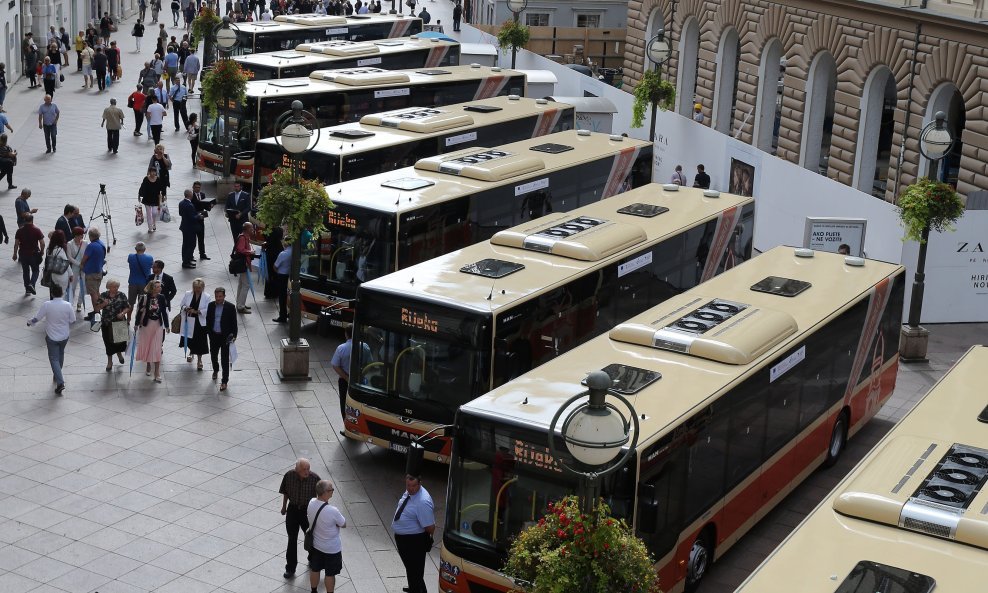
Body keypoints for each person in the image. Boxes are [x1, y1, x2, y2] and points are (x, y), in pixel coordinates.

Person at [27, 284, 75, 395]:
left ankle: (60, 382)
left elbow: (37, 318)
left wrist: (29, 322)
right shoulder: (68, 305)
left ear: (52, 293)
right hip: (64, 336)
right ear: (62, 293)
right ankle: (57, 374)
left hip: (52, 336)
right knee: (61, 354)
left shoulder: (47, 305)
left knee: (53, 358)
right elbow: (73, 320)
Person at [392, 473, 436, 593]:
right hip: (404, 539)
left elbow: (430, 528)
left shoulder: (422, 502)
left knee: (415, 570)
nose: (410, 488)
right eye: (408, 485)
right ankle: (414, 587)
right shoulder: (411, 493)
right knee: (412, 569)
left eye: (413, 486)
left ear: (419, 484)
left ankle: (417, 589)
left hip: (414, 541)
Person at [279, 458, 322, 579]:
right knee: (292, 538)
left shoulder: (315, 479)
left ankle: (312, 557)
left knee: (310, 536)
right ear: (297, 469)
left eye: (308, 468)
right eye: (304, 469)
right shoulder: (289, 475)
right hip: (292, 509)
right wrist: (284, 507)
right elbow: (285, 491)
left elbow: (321, 497)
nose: (307, 471)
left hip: (307, 511)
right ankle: (290, 568)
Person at [307, 480, 346, 593]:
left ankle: (313, 591)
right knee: (330, 574)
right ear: (324, 493)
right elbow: (344, 524)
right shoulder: (332, 511)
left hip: (316, 546)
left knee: (315, 569)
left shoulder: (311, 502)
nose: (333, 491)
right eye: (331, 490)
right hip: (332, 549)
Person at [134, 280, 170, 382]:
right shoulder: (144, 298)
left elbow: (163, 312)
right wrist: (136, 324)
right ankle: (148, 364)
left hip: (157, 325)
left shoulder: (162, 297)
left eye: (160, 286)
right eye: (158, 287)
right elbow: (139, 313)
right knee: (148, 346)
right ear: (152, 288)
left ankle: (157, 372)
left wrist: (167, 325)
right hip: (147, 325)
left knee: (157, 348)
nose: (160, 288)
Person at [95, 280, 131, 370]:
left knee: (119, 342)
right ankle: (109, 362)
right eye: (114, 287)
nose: (116, 288)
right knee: (108, 343)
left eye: (117, 287)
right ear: (109, 287)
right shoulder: (103, 295)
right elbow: (96, 308)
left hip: (119, 322)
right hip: (107, 323)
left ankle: (119, 354)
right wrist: (104, 304)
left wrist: (122, 313)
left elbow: (128, 307)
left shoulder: (121, 295)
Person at [206, 286, 237, 390]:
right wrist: (209, 333)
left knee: (225, 359)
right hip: (214, 335)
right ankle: (215, 369)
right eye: (216, 296)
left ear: (224, 296)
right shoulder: (210, 306)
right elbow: (208, 320)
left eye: (220, 296)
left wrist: (234, 336)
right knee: (213, 355)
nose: (218, 298)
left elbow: (234, 323)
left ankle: (224, 381)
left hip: (225, 337)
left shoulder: (230, 307)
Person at [178, 278, 210, 369]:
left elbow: (208, 309)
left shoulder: (206, 296)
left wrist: (197, 312)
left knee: (200, 342)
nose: (197, 289)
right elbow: (182, 304)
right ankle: (191, 352)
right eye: (196, 287)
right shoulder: (188, 294)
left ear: (203, 287)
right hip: (189, 320)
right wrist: (186, 308)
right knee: (190, 339)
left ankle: (199, 360)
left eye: (199, 287)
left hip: (200, 322)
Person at [13, 214, 45, 295]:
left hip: (23, 254)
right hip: (33, 254)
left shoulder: (19, 230)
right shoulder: (37, 230)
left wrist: (15, 254)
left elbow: (16, 244)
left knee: (25, 272)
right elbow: (42, 243)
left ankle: (27, 289)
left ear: (24, 220)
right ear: (32, 220)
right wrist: (42, 251)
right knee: (35, 270)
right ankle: (32, 284)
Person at [81, 227, 107, 318]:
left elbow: (84, 259)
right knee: (96, 291)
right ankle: (101, 307)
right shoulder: (102, 244)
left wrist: (81, 265)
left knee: (93, 294)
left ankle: (97, 313)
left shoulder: (91, 246)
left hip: (91, 273)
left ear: (91, 236)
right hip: (98, 271)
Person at [233, 223, 255, 314]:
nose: (253, 229)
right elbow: (240, 249)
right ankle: (241, 306)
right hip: (243, 263)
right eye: (251, 228)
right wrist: (250, 252)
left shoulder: (244, 236)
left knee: (241, 284)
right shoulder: (243, 238)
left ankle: (239, 303)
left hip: (243, 263)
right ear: (247, 229)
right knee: (246, 285)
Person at [126, 242, 155, 312]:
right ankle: (139, 319)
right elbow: (152, 266)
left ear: (135, 249)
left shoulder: (130, 256)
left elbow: (129, 262)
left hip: (133, 282)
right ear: (145, 249)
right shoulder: (149, 258)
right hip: (145, 283)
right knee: (143, 303)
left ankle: (128, 319)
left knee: (130, 303)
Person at [179, 189, 202, 268]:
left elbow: (180, 213)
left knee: (185, 244)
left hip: (184, 227)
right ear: (190, 195)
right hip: (190, 228)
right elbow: (192, 218)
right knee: (191, 245)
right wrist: (198, 216)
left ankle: (185, 259)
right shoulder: (190, 205)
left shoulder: (181, 203)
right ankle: (186, 262)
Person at [45, 230, 71, 300]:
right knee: (63, 293)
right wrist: (71, 275)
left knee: (56, 291)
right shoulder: (60, 249)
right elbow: (66, 263)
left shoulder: (49, 248)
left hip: (53, 274)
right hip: (62, 274)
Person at [66, 227, 87, 310]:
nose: (80, 237)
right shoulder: (69, 244)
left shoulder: (85, 243)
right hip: (74, 267)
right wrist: (79, 264)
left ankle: (79, 303)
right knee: (73, 286)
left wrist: (84, 264)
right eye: (79, 235)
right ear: (75, 235)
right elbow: (69, 257)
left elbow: (87, 254)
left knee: (84, 286)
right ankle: (70, 304)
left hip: (84, 267)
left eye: (82, 235)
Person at [139, 168, 165, 232]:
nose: (153, 173)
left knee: (154, 212)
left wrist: (163, 195)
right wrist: (140, 195)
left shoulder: (158, 179)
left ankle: (154, 223)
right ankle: (150, 227)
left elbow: (162, 188)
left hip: (155, 199)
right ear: (149, 172)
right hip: (147, 199)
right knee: (148, 214)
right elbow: (142, 187)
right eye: (151, 172)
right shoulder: (146, 179)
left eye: (154, 172)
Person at [263, 225, 284, 299]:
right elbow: (281, 237)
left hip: (269, 251)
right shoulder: (279, 229)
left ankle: (268, 292)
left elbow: (265, 236)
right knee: (276, 273)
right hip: (276, 252)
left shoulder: (267, 228)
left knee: (269, 272)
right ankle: (275, 292)